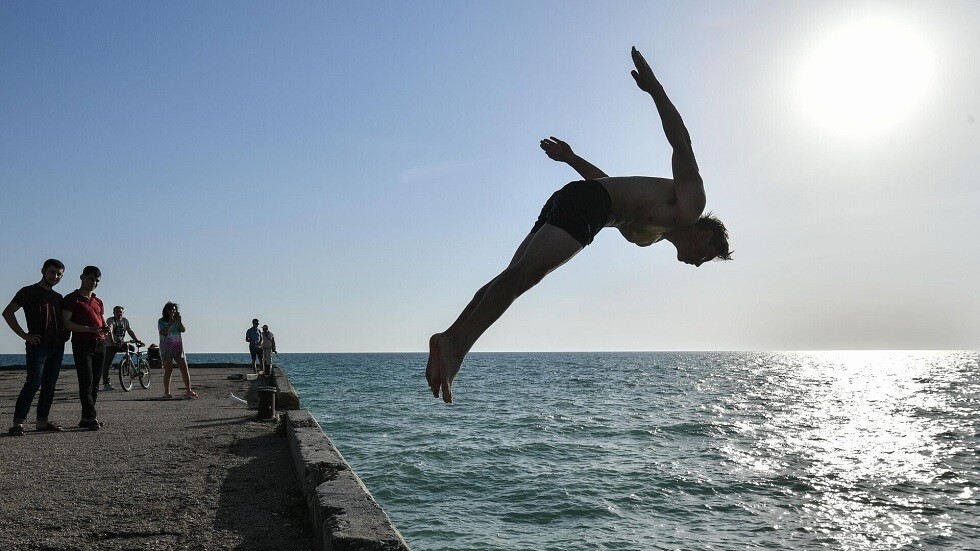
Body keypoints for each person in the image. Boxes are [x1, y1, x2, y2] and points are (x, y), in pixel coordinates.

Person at [427, 47, 732, 403]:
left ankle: (450, 337)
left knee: (513, 276)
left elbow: (609, 186)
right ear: (706, 235)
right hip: (586, 205)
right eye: (707, 256)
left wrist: (571, 158)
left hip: (578, 199)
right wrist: (656, 90)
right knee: (525, 276)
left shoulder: (648, 237)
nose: (699, 264)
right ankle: (456, 347)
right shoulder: (691, 206)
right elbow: (681, 142)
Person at [3, 259, 68, 435]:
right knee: (33, 383)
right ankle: (18, 423)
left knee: (49, 385)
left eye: (59, 274)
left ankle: (42, 421)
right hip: (37, 346)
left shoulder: (58, 297)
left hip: (57, 347)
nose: (55, 276)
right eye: (52, 272)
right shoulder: (28, 292)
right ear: (43, 271)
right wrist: (24, 335)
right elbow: (7, 313)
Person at [61, 266, 110, 430]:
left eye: (97, 281)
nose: (94, 283)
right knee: (86, 382)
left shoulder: (98, 301)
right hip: (82, 344)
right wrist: (88, 329)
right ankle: (92, 416)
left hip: (100, 344)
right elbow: (66, 323)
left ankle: (86, 418)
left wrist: (106, 328)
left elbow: (102, 320)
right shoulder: (72, 299)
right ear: (82, 277)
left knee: (95, 383)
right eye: (91, 279)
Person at [159, 302, 197, 399]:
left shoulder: (177, 321)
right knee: (168, 370)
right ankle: (166, 392)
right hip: (166, 348)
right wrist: (171, 322)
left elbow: (183, 330)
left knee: (184, 369)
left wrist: (179, 321)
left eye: (174, 310)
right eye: (170, 310)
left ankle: (188, 390)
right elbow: (163, 332)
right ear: (166, 311)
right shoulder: (161, 321)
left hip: (178, 348)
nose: (172, 311)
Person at [101, 305, 140, 390]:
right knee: (107, 363)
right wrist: (112, 342)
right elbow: (110, 330)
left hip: (120, 343)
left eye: (120, 312)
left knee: (131, 348)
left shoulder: (125, 321)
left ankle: (126, 364)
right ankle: (106, 383)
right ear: (114, 313)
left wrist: (136, 340)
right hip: (110, 345)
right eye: (117, 312)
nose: (119, 313)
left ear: (123, 312)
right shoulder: (111, 320)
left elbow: (129, 330)